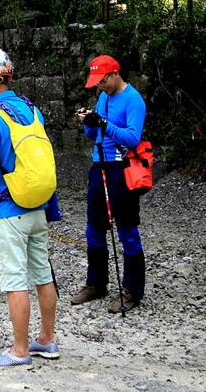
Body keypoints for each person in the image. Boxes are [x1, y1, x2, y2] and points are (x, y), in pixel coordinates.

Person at [0, 47, 59, 369]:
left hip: (10, 211)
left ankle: (20, 350)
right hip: (39, 206)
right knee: (42, 274)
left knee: (14, 281)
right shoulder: (33, 110)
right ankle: (47, 340)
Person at [71, 54, 148, 313]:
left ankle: (132, 289)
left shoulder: (133, 100)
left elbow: (133, 138)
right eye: (96, 82)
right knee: (94, 228)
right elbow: (95, 135)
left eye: (102, 80)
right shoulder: (103, 97)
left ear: (115, 74)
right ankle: (96, 283)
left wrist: (104, 124)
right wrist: (89, 123)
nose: (99, 86)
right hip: (99, 166)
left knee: (126, 230)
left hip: (121, 169)